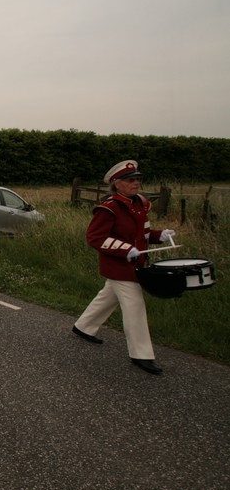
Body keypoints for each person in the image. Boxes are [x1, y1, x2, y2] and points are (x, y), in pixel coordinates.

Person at [71, 160, 174, 375]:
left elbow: (141, 234)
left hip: (135, 264)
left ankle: (83, 327)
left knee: (107, 297)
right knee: (135, 307)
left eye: (137, 179)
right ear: (117, 184)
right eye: (130, 180)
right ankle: (141, 354)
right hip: (118, 266)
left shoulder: (140, 203)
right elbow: (95, 237)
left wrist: (160, 235)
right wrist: (125, 249)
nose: (136, 183)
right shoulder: (109, 208)